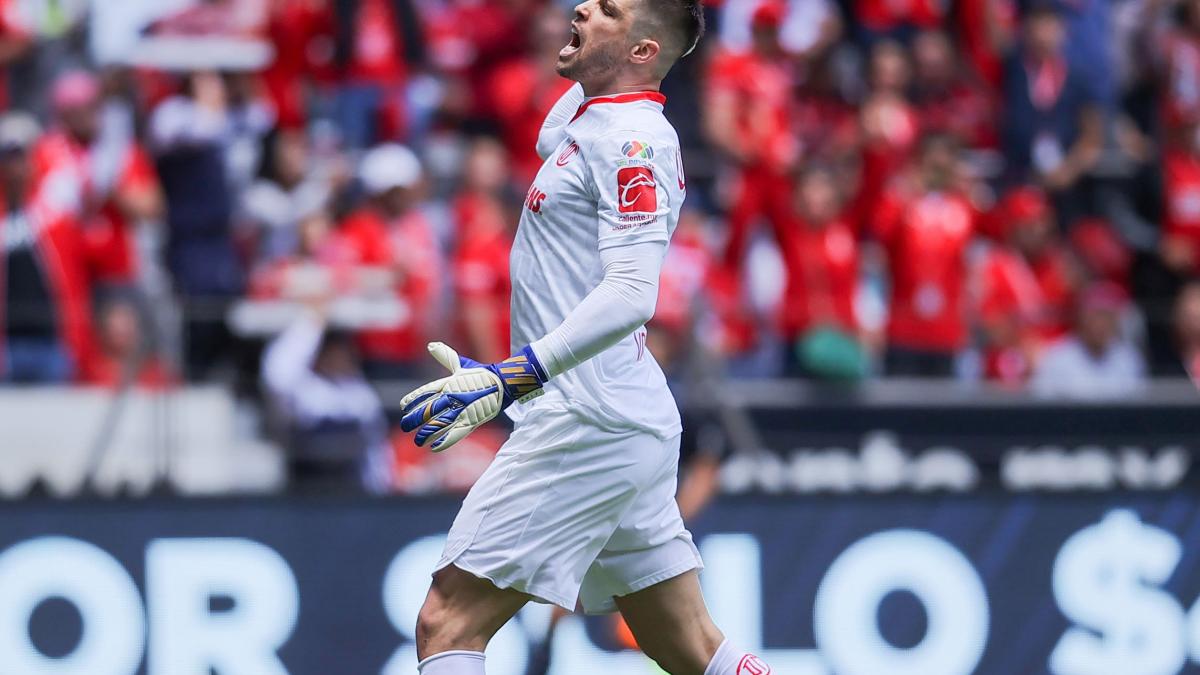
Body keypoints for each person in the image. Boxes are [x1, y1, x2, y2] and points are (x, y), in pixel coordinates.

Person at [396, 1, 773, 674]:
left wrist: (512, 374)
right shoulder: (588, 121)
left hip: (585, 418)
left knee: (447, 619)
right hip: (616, 414)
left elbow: (633, 294)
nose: (580, 9)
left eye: (605, 10)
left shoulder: (635, 141)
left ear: (641, 51)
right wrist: (594, 52)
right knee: (690, 647)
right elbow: (553, 125)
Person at [1032, 281, 1146, 399]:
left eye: (1107, 317)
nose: (1100, 325)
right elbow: (1042, 406)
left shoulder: (1128, 358)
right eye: (1095, 317)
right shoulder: (1057, 357)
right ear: (1081, 319)